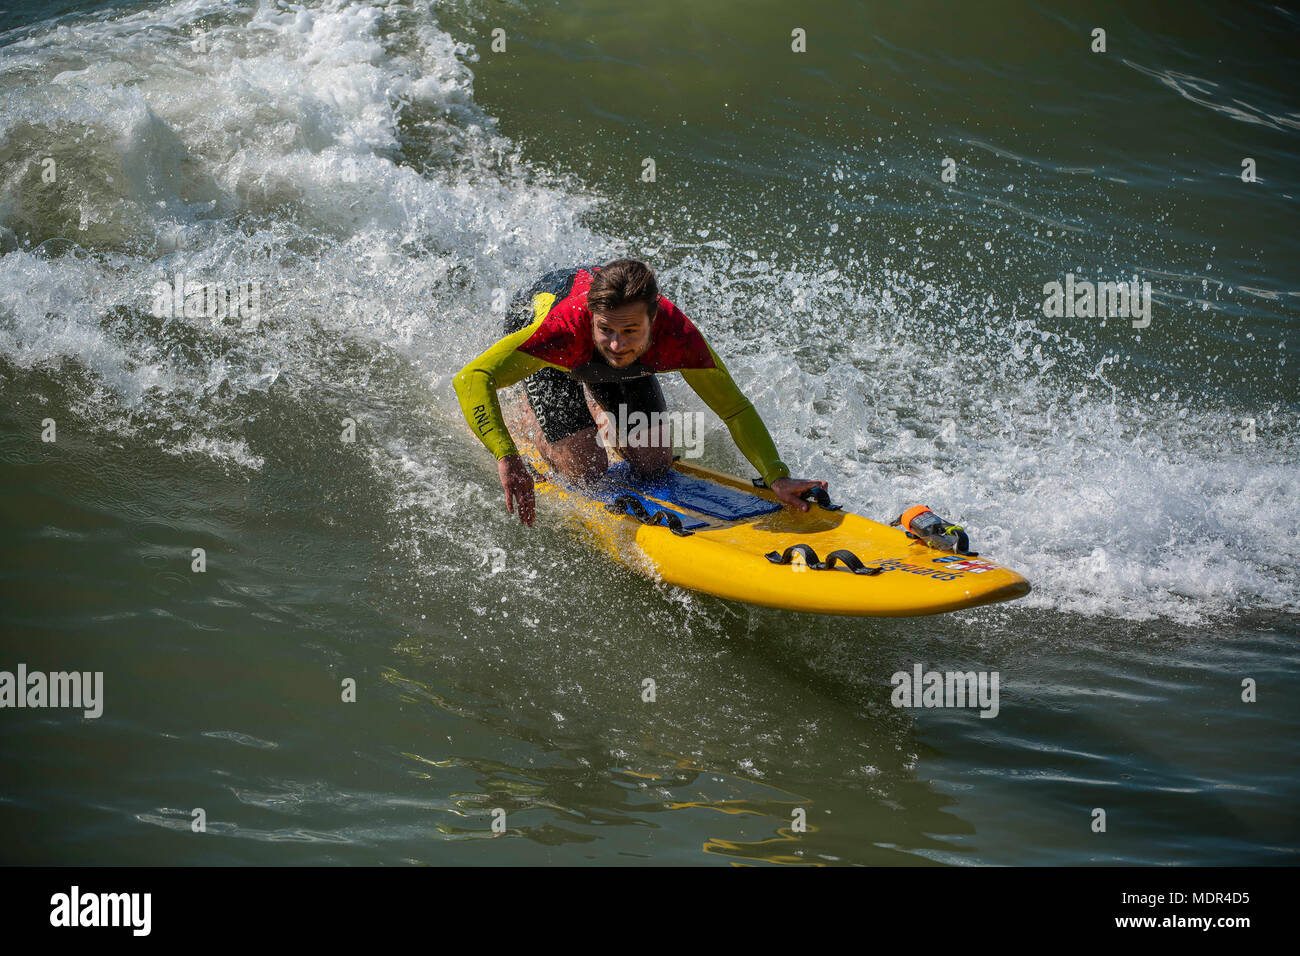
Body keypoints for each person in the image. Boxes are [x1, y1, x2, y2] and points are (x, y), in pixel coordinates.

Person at [453, 258, 827, 526]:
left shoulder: (678, 336)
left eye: (630, 331)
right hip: (548, 329)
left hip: (599, 346)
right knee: (585, 472)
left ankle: (596, 401)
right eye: (607, 331)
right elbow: (471, 378)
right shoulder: (563, 330)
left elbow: (733, 409)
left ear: (654, 322)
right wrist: (507, 455)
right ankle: (530, 411)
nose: (617, 345)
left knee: (652, 463)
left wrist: (776, 475)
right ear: (593, 320)